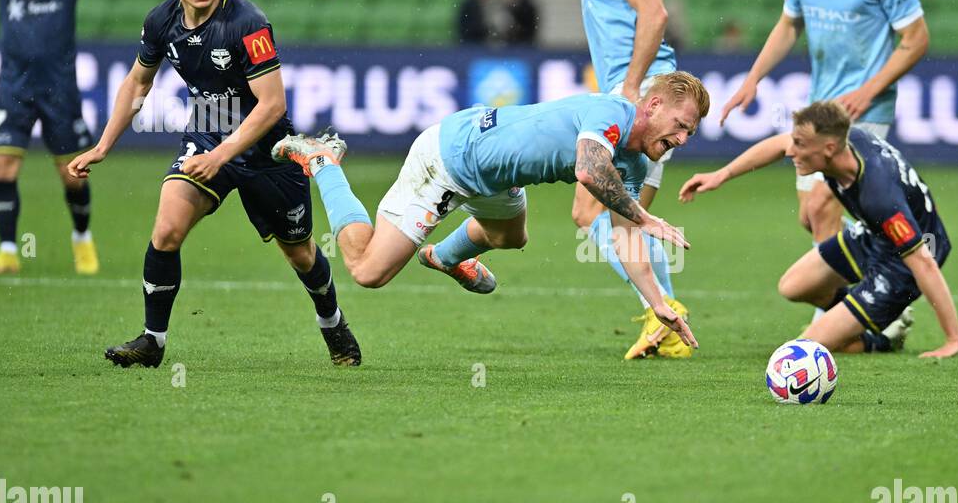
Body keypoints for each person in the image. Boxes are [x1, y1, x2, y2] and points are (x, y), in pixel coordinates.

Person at [67, 0, 361, 369]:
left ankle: (332, 321)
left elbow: (271, 104)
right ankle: (153, 340)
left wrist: (223, 155)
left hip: (269, 150)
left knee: (299, 252)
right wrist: (104, 144)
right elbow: (137, 83)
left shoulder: (247, 23)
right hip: (205, 133)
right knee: (166, 230)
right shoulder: (161, 21)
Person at [269, 74, 709, 353]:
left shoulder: (636, 161)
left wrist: (659, 304)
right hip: (449, 160)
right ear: (652, 106)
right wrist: (645, 216)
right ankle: (323, 160)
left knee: (510, 237)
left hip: (497, 178)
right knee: (367, 271)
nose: (684, 138)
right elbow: (590, 170)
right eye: (681, 124)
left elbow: (624, 235)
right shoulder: (612, 113)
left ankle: (444, 256)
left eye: (691, 132)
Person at [718, 0, 929, 255]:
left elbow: (917, 40)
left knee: (821, 205)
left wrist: (870, 90)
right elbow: (788, 25)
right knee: (810, 215)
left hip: (864, 107)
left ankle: (836, 312)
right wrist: (753, 79)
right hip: (820, 106)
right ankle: (888, 278)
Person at [0, 0, 179, 277]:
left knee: (71, 175)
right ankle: (7, 251)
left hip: (59, 90)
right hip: (12, 87)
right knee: (3, 167)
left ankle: (82, 236)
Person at [680, 100, 958, 359]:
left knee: (807, 346)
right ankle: (874, 317)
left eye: (800, 144)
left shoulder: (879, 196)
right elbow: (778, 145)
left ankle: (880, 338)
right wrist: (721, 175)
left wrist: (952, 340)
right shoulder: (848, 143)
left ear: (828, 149)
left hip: (904, 261)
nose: (791, 151)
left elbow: (924, 261)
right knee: (793, 286)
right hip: (874, 236)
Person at [554, 0, 690, 359]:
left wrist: (630, 87)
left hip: (648, 97)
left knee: (595, 209)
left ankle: (665, 314)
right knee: (625, 218)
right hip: (654, 95)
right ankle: (663, 318)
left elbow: (655, 12)